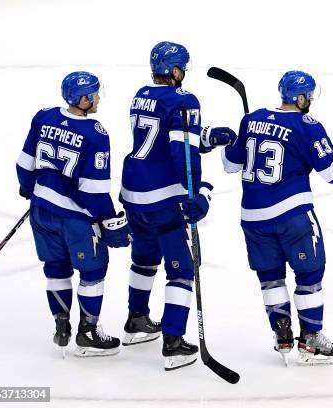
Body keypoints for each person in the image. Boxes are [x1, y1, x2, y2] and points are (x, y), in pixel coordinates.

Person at [221, 70, 333, 365]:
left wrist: (236, 139)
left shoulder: (252, 119)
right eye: (309, 96)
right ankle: (312, 340)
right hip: (293, 216)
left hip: (252, 218)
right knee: (310, 275)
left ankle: (282, 334)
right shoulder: (306, 125)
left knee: (270, 278)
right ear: (300, 98)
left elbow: (229, 164)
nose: (310, 101)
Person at [119, 41, 236, 371]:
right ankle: (173, 343)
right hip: (163, 198)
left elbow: (162, 137)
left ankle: (137, 320)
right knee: (182, 268)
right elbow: (179, 152)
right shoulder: (184, 100)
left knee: (144, 258)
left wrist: (207, 135)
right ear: (174, 70)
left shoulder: (141, 94)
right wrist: (196, 191)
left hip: (133, 193)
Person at [16, 71, 131, 357]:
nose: (97, 98)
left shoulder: (44, 117)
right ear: (83, 99)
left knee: (56, 269)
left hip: (41, 212)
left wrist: (28, 188)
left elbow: (23, 165)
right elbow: (92, 191)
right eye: (94, 94)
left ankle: (61, 322)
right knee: (93, 272)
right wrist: (108, 219)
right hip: (76, 220)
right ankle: (88, 333)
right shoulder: (95, 133)